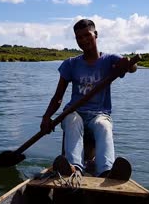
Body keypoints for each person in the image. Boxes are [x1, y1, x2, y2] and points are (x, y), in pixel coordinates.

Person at [40, 19, 137, 180]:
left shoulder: (109, 59)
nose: (83, 40)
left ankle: (106, 171)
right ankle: (73, 168)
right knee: (72, 120)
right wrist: (46, 117)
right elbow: (58, 97)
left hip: (99, 114)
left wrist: (127, 65)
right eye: (79, 37)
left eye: (87, 35)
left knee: (104, 125)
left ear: (96, 35)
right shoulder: (71, 64)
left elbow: (132, 68)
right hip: (74, 111)